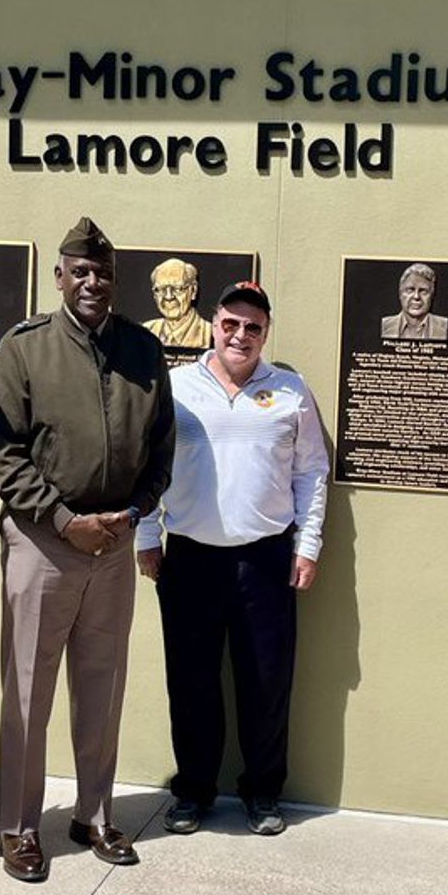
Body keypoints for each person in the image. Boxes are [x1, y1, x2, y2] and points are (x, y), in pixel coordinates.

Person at [0, 217, 175, 882]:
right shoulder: (24, 348)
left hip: (114, 545)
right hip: (43, 543)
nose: (94, 282)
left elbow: (162, 449)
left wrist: (135, 511)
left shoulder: (143, 352)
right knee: (28, 693)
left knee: (103, 685)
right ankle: (19, 827)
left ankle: (93, 813)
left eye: (105, 273)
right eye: (81, 271)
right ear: (60, 276)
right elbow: (0, 454)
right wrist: (64, 520)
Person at [136, 281, 329, 837]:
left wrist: (308, 544)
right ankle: (193, 791)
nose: (240, 336)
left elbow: (312, 472)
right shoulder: (174, 387)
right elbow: (151, 465)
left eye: (253, 328)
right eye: (230, 324)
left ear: (266, 334)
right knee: (192, 681)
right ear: (214, 324)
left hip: (265, 559)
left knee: (265, 682)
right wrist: (148, 535)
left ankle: (263, 793)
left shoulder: (290, 390)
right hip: (190, 557)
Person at [141, 257, 212, 348]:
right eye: (161, 289)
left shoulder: (210, 333)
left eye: (178, 288)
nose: (169, 297)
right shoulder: (145, 332)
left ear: (193, 290)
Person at [379, 262, 448, 340]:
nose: (416, 297)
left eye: (423, 291)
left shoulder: (444, 326)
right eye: (410, 290)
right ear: (400, 294)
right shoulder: (385, 325)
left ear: (432, 296)